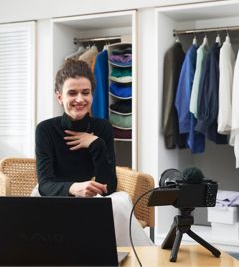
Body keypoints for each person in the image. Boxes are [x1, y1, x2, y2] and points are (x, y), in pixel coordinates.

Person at [33, 59, 153, 246]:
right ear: (59, 97)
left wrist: (96, 143)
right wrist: (74, 188)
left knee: (119, 203)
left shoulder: (102, 128)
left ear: (92, 95)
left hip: (91, 200)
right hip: (55, 198)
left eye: (85, 93)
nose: (80, 99)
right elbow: (45, 185)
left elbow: (110, 186)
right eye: (72, 93)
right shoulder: (45, 130)